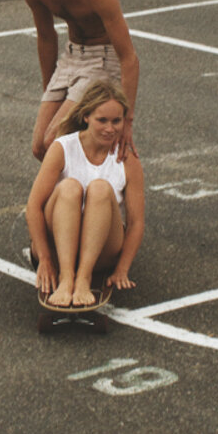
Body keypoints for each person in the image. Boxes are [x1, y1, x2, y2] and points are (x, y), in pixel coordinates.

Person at [6, 0, 139, 162]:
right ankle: (70, 196)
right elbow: (46, 38)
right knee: (40, 148)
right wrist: (50, 92)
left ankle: (79, 196)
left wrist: (127, 121)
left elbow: (129, 58)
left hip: (104, 59)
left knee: (54, 141)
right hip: (71, 58)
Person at [25, 80, 145, 308]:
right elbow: (33, 207)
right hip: (57, 246)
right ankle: (67, 277)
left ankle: (84, 278)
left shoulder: (127, 159)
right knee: (70, 187)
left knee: (100, 188)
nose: (110, 128)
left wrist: (122, 269)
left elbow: (136, 222)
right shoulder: (63, 148)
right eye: (102, 120)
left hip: (102, 252)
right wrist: (45, 259)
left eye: (116, 121)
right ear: (86, 116)